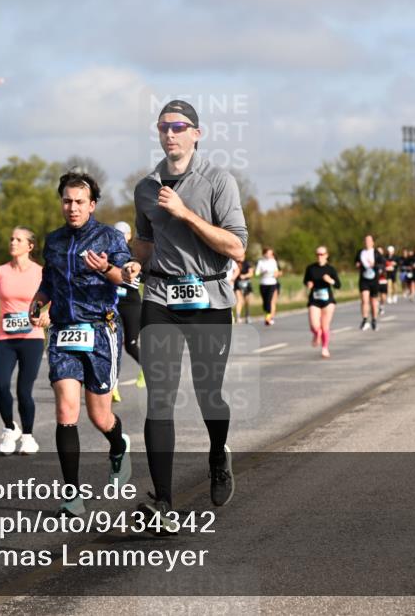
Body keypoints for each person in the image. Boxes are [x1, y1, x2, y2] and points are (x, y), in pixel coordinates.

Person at [131, 99, 248, 530]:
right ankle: (163, 502)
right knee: (159, 398)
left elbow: (236, 247)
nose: (170, 134)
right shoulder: (145, 187)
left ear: (196, 133)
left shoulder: (219, 181)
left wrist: (185, 214)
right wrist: (133, 261)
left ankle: (218, 454)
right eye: (163, 127)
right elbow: (145, 241)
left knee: (208, 395)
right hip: (160, 294)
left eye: (179, 127)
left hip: (209, 297)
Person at [31, 169, 132, 518]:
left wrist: (107, 270)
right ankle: (72, 495)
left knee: (100, 415)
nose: (72, 208)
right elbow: (48, 280)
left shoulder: (109, 239)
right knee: (65, 411)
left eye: (79, 202)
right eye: (66, 201)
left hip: (100, 331)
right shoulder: (54, 241)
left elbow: (128, 279)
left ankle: (118, 446)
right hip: (63, 331)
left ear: (92, 205)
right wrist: (38, 301)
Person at [0, 227, 45, 455]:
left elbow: (53, 298)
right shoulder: (0, 272)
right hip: (6, 338)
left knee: (23, 390)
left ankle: (28, 436)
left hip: (32, 338)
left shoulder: (41, 272)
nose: (12, 242)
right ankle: (10, 428)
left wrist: (46, 314)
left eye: (18, 239)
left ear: (30, 246)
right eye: (11, 238)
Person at [112, 221, 145, 401]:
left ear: (129, 235)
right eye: (116, 233)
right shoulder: (108, 253)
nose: (119, 236)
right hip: (114, 304)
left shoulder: (135, 254)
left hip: (132, 304)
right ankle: (113, 387)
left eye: (123, 233)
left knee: (131, 345)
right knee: (114, 347)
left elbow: (145, 275)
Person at [304, 246, 341, 358]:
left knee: (325, 326)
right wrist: (308, 283)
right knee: (314, 325)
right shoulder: (310, 268)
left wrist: (330, 280)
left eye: (322, 254)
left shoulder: (330, 269)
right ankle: (317, 333)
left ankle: (325, 348)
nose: (319, 256)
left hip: (327, 301)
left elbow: (338, 285)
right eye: (318, 254)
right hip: (314, 299)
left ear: (326, 255)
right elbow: (305, 280)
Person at [355, 234, 384, 331]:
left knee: (373, 301)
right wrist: (357, 264)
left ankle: (374, 320)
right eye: (365, 241)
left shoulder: (376, 253)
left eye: (369, 241)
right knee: (364, 299)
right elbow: (356, 262)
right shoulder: (360, 252)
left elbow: (382, 264)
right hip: (364, 279)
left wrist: (375, 265)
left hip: (374, 280)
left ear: (372, 243)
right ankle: (364, 320)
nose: (367, 243)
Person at [255, 247, 281, 326]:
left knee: (269, 301)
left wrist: (276, 274)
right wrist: (263, 272)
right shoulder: (260, 262)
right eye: (268, 253)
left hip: (272, 283)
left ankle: (268, 317)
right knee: (265, 303)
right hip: (263, 284)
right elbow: (256, 273)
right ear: (264, 254)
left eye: (271, 254)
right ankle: (267, 312)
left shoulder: (273, 261)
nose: (269, 255)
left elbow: (276, 270)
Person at [233, 258, 253, 323]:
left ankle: (247, 315)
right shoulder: (234, 262)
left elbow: (251, 273)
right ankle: (238, 317)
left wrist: (244, 276)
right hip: (237, 283)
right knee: (239, 300)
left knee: (247, 301)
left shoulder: (247, 263)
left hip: (246, 283)